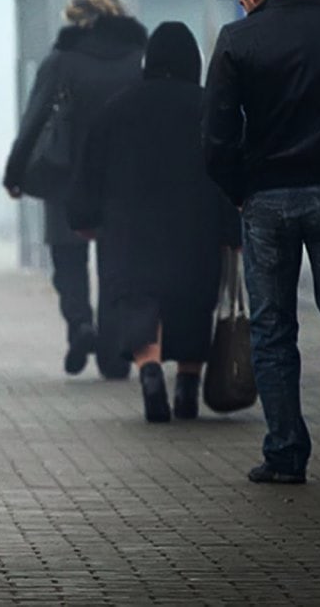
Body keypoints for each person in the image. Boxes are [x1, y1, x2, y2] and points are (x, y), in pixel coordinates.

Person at [203, 0, 320, 484]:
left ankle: (286, 453)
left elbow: (216, 134)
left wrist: (238, 189)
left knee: (272, 329)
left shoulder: (239, 40)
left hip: (267, 198)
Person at [68, 22, 241, 423]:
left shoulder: (118, 108)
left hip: (131, 231)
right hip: (195, 229)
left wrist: (83, 219)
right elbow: (230, 170)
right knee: (195, 303)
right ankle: (187, 386)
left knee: (139, 301)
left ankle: (149, 373)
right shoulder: (209, 107)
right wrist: (233, 229)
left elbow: (88, 169)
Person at [3, 0, 147, 377]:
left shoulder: (61, 61)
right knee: (116, 264)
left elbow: (34, 120)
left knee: (68, 260)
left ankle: (80, 323)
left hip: (64, 175)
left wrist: (15, 173)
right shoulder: (138, 59)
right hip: (122, 178)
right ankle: (114, 352)